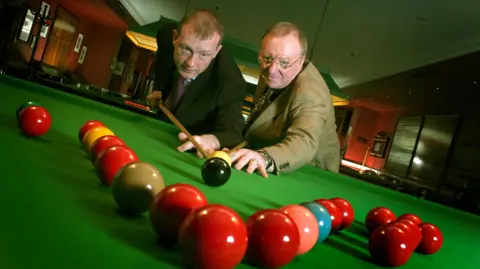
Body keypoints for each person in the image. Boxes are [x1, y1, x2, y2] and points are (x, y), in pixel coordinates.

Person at [229, 22, 340, 177]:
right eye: (267, 58)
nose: (273, 70)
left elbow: (303, 141)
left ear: (301, 61)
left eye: (284, 62)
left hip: (309, 173)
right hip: (269, 158)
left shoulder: (311, 95)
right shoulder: (272, 72)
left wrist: (264, 157)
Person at [147, 9, 247, 158]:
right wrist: (160, 88)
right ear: (175, 38)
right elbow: (164, 58)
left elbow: (233, 132)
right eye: (186, 49)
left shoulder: (229, 81)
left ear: (216, 52)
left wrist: (211, 140)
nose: (191, 63)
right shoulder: (165, 37)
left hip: (188, 145)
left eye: (204, 54)